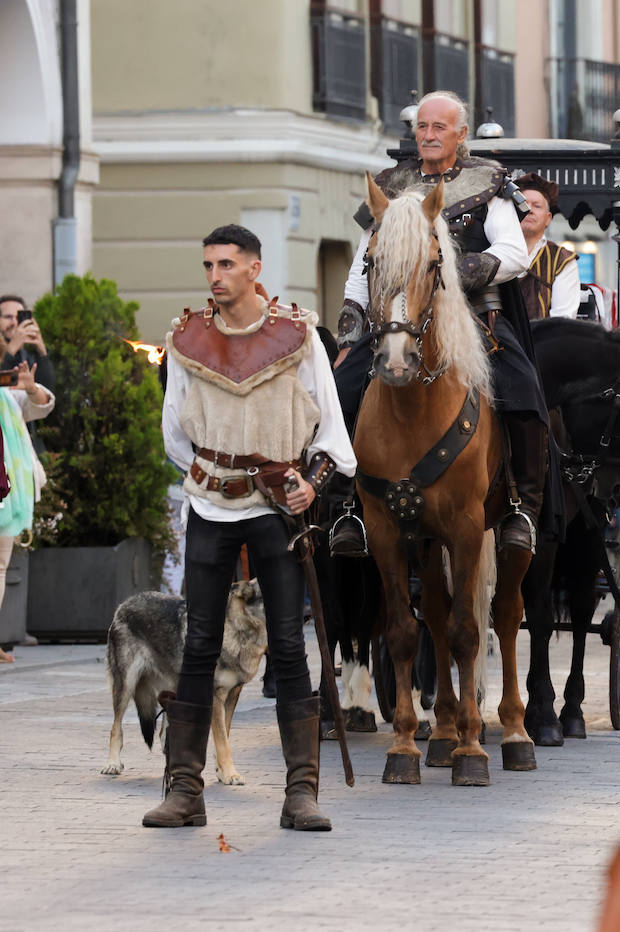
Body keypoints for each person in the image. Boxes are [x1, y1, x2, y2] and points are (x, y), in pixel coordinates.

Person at [148, 223, 355, 831]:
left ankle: (301, 794)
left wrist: (309, 479)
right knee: (199, 644)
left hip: (277, 511)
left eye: (227, 265)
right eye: (208, 264)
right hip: (210, 510)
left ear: (254, 269)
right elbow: (174, 436)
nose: (215, 276)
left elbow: (332, 430)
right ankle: (184, 789)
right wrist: (217, 477)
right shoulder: (186, 339)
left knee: (288, 644)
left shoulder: (298, 335)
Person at [340, 89, 547, 553]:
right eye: (422, 127)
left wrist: (454, 274)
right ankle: (347, 509)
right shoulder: (391, 183)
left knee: (525, 389)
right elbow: (362, 263)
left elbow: (514, 253)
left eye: (439, 127)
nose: (429, 135)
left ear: (460, 134)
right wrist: (351, 329)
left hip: (474, 315)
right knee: (340, 390)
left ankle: (522, 510)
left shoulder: (487, 180)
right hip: (398, 317)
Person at [0, 359, 53, 664]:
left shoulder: (8, 392)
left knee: (1, 567)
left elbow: (42, 403)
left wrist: (31, 387)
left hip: (7, 489)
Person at [514, 173, 580, 320]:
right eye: (523, 204)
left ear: (548, 218)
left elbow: (562, 322)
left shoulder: (561, 260)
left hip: (543, 341)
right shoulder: (495, 253)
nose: (529, 210)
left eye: (536, 206)